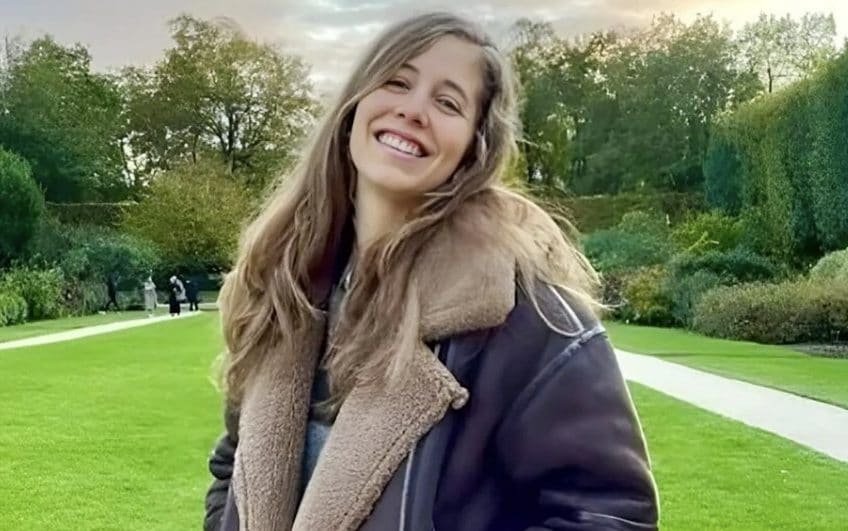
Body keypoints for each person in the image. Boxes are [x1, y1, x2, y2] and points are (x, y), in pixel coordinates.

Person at [204, 12, 658, 531]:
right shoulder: (287, 286)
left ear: (474, 147)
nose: (413, 110)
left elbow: (609, 515)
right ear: (355, 106)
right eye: (397, 81)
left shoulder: (527, 315)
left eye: (447, 103)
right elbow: (233, 464)